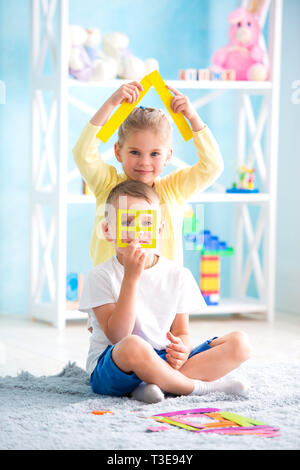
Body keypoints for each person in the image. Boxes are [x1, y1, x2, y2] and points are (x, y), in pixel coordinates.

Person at [78, 180, 251, 403]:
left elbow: (181, 332)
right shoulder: (100, 276)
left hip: (163, 359)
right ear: (107, 230)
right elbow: (118, 336)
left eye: (147, 223)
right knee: (133, 344)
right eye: (127, 222)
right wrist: (131, 277)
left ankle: (151, 385)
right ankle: (198, 388)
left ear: (159, 229)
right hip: (115, 366)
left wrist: (183, 348)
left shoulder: (177, 274)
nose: (137, 232)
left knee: (240, 343)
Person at [73, 80, 224, 267]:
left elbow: (212, 166)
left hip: (161, 289)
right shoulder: (107, 185)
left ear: (168, 156)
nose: (144, 162)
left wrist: (193, 117)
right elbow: (82, 153)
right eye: (135, 152)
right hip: (112, 287)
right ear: (118, 152)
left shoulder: (173, 189)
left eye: (155, 154)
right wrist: (111, 104)